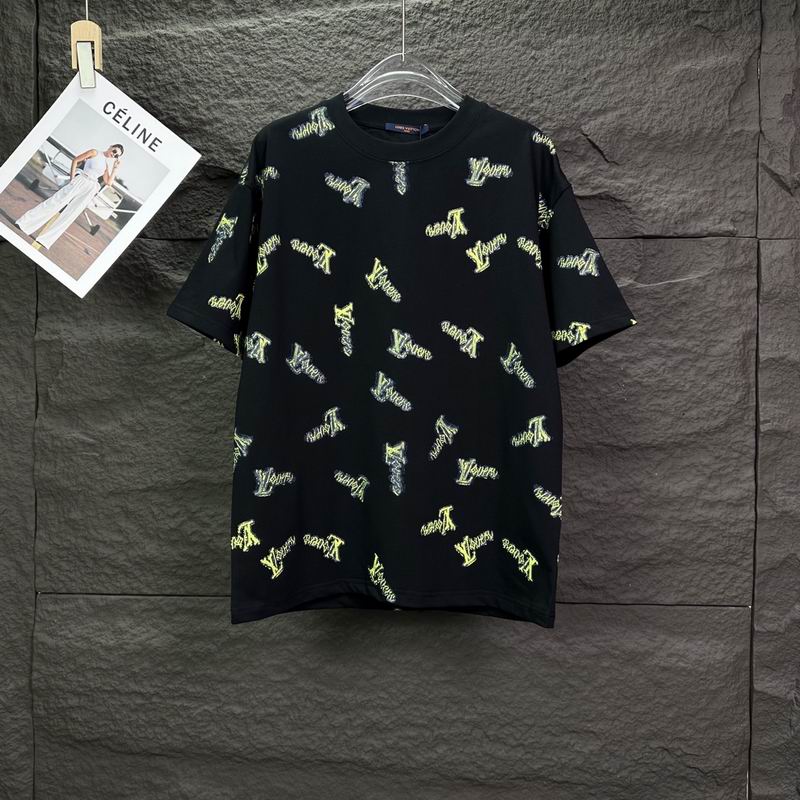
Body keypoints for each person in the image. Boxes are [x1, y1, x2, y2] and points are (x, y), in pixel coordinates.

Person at [15, 143, 124, 249]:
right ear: (110, 147)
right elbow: (75, 160)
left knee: (71, 214)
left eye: (116, 155)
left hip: (91, 188)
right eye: (114, 151)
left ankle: (45, 240)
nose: (113, 154)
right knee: (55, 202)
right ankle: (24, 223)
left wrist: (115, 169)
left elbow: (109, 182)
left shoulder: (106, 165)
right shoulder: (94, 152)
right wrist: (72, 179)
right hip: (81, 179)